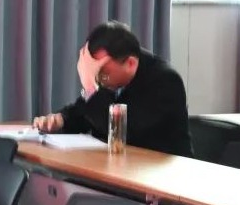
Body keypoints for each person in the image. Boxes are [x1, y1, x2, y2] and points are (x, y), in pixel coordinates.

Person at [33, 21, 193, 157]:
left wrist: (89, 85)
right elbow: (86, 114)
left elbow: (119, 132)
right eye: (94, 72)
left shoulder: (165, 81)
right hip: (123, 167)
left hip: (162, 173)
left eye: (103, 72)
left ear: (130, 63)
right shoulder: (112, 80)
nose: (98, 79)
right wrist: (61, 120)